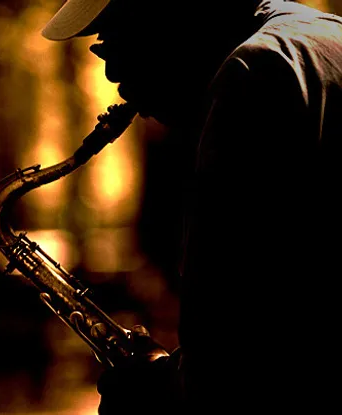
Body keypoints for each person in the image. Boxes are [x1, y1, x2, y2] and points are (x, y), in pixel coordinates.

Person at [41, 0, 342, 413]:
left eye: (113, 44)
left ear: (169, 17)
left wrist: (154, 387)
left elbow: (227, 368)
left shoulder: (252, 73)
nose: (113, 76)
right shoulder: (327, 36)